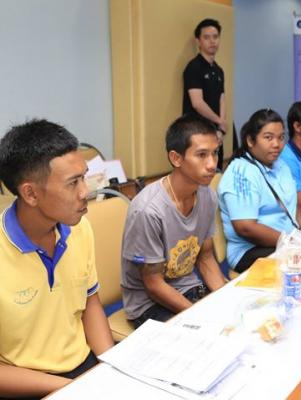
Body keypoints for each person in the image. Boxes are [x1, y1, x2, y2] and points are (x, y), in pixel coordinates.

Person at [0, 120, 114, 400]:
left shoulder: (79, 228)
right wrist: (71, 388)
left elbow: (90, 304)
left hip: (83, 367)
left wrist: (111, 367)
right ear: (30, 193)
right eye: (72, 183)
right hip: (26, 383)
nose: (85, 192)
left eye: (83, 177)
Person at [121, 115, 226, 329]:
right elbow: (153, 285)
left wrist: (227, 300)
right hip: (149, 304)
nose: (212, 164)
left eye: (215, 153)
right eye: (201, 155)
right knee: (208, 336)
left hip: (188, 289)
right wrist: (199, 316)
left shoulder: (207, 195)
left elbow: (206, 258)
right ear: (176, 158)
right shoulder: (148, 210)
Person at [218, 109, 301, 273]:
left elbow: (291, 202)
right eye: (268, 137)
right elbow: (245, 227)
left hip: (286, 241)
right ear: (250, 140)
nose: (276, 144)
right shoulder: (242, 172)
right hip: (250, 250)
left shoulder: (281, 165)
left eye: (281, 137)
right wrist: (289, 241)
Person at [182, 18, 226, 170]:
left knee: (216, 172)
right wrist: (219, 121)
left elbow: (222, 97)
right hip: (197, 132)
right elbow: (197, 103)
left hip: (215, 132)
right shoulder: (193, 67)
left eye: (215, 37)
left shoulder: (219, 70)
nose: (212, 41)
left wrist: (221, 128)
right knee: (199, 173)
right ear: (198, 41)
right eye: (206, 37)